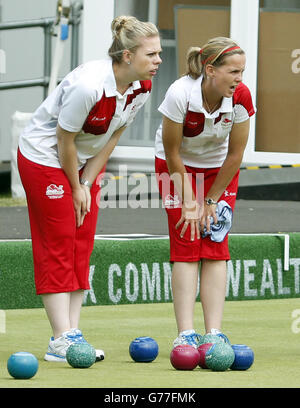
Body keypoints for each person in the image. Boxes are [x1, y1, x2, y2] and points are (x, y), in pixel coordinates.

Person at [18, 15, 162, 362]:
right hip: (44, 158)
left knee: (81, 240)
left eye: (159, 54)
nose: (158, 61)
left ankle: (73, 336)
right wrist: (75, 184)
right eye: (151, 55)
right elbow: (63, 140)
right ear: (128, 56)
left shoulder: (141, 86)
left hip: (82, 163)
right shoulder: (90, 86)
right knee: (58, 240)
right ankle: (59, 339)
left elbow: (112, 137)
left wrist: (85, 182)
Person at [155, 37, 256, 348]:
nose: (240, 79)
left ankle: (214, 333)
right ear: (211, 70)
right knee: (186, 243)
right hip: (176, 166)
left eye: (242, 71)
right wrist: (189, 201)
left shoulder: (240, 96)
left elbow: (235, 155)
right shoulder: (180, 93)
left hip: (217, 170)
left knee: (215, 243)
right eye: (233, 71)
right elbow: (172, 153)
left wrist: (210, 199)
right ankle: (185, 333)